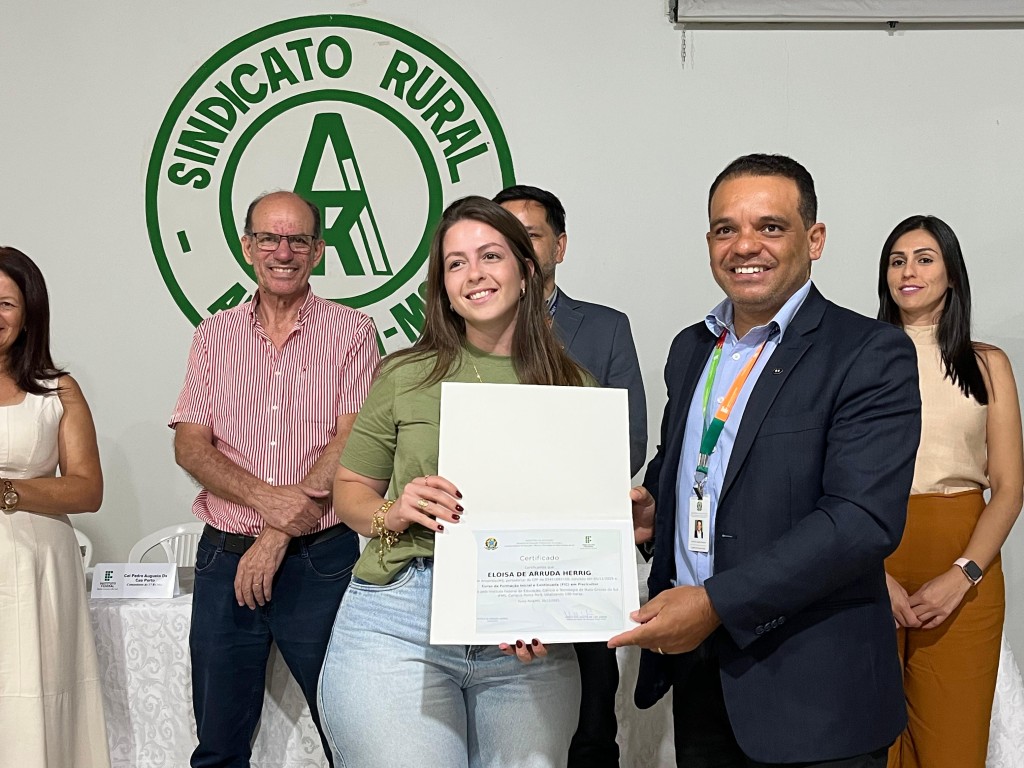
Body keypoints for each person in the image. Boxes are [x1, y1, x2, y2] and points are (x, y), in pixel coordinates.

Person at [609, 154, 922, 767]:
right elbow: (690, 464)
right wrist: (657, 512)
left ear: (815, 239)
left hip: (816, 695)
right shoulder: (691, 346)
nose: (745, 245)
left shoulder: (868, 352)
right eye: (725, 229)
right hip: (702, 681)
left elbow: (860, 520)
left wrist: (714, 604)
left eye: (770, 227)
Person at [317, 196, 588, 768]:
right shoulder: (404, 374)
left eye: (490, 256)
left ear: (526, 270)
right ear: (443, 286)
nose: (474, 274)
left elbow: (576, 526)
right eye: (456, 263)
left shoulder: (575, 388)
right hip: (400, 619)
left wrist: (559, 592)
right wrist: (394, 510)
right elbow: (350, 493)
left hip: (524, 637)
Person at [169, 191, 379, 768]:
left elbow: (351, 440)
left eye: (297, 241)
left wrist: (276, 534)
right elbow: (191, 445)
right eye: (269, 238)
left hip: (321, 557)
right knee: (218, 744)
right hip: (224, 558)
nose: (282, 253)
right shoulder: (213, 334)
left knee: (348, 731)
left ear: (318, 250)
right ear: (248, 246)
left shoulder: (353, 331)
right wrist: (272, 505)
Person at [494, 184, 647, 768]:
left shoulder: (605, 328)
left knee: (591, 717)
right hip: (493, 549)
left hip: (581, 549)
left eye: (531, 236)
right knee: (503, 721)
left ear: (558, 246)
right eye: (504, 238)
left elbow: (630, 437)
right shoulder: (462, 330)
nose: (519, 250)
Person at [877, 215, 1023, 768]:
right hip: (868, 555)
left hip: (963, 554)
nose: (908, 272)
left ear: (951, 274)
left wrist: (964, 574)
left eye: (924, 259)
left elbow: (1009, 487)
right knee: (869, 744)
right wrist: (868, 571)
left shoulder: (987, 363)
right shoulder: (856, 358)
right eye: (897, 261)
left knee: (953, 747)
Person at [0, 247, 109, 767]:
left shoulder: (56, 390)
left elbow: (87, 489)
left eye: (5, 304)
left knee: (35, 694)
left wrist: (9, 491)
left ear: (28, 316)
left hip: (36, 566)